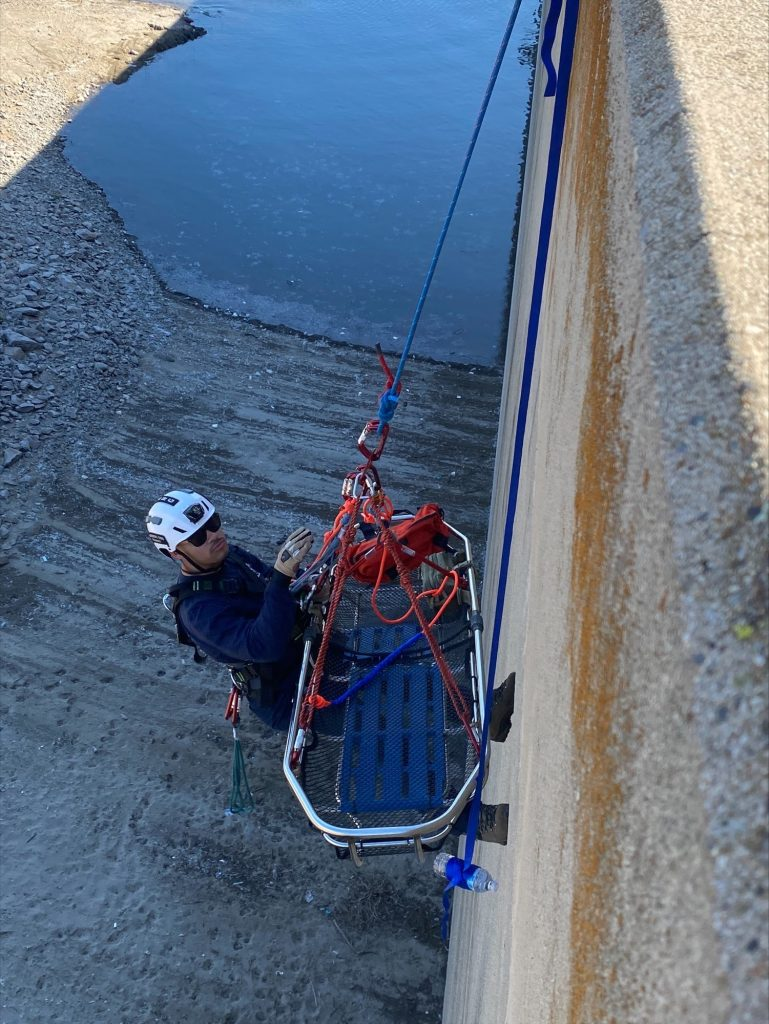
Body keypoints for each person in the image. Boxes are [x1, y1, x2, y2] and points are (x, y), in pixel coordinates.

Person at [146, 488, 313, 729]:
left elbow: (273, 583)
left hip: (307, 652)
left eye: (213, 523)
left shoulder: (231, 556)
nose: (214, 535)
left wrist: (306, 585)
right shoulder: (197, 611)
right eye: (198, 537)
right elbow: (265, 646)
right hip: (286, 693)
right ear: (175, 554)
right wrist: (281, 577)